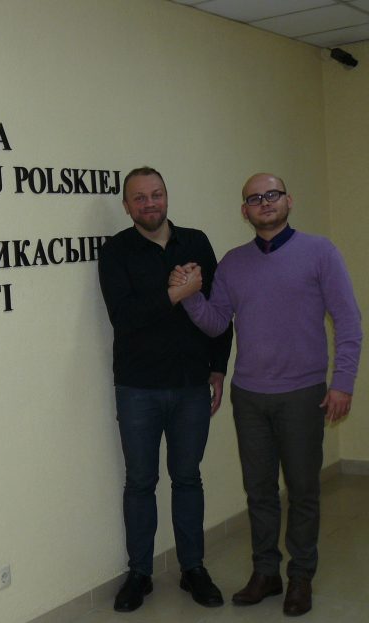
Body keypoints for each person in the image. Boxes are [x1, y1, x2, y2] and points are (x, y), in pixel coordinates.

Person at [168, 173, 362, 617]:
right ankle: (266, 572)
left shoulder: (320, 252)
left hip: (304, 394)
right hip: (250, 396)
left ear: (289, 200)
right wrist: (191, 297)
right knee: (259, 491)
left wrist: (343, 383)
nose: (264, 202)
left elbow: (349, 322)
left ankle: (301, 576)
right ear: (245, 211)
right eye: (254, 198)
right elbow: (217, 323)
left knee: (303, 490)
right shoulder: (233, 263)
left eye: (272, 194)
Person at [98, 166, 232, 613]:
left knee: (188, 478)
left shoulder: (196, 242)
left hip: (192, 384)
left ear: (166, 196)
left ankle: (193, 568)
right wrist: (175, 294)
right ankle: (140, 573)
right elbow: (124, 318)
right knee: (140, 482)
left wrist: (218, 367)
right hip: (137, 387)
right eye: (139, 198)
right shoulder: (116, 251)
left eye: (156, 194)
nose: (149, 203)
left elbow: (220, 309)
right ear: (127, 206)